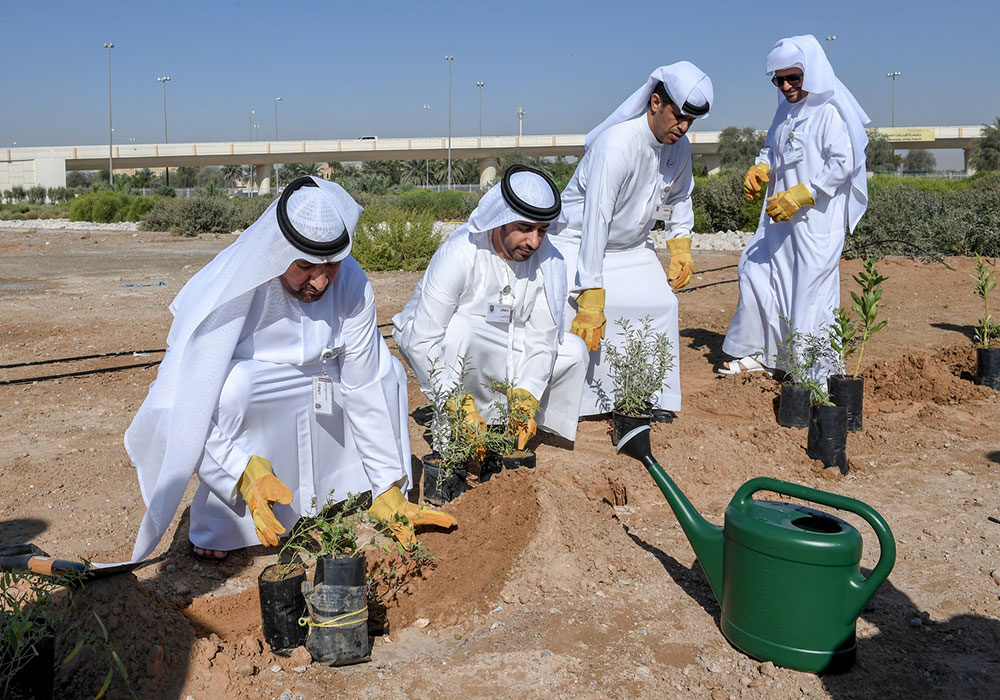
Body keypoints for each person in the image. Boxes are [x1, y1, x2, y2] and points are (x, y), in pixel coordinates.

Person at [125, 176, 456, 563]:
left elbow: (363, 382)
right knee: (234, 388)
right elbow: (180, 399)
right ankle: (227, 520)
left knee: (390, 374)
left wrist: (386, 484)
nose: (319, 282)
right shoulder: (238, 285)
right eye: (304, 266)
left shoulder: (351, 282)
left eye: (330, 266)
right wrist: (239, 470)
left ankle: (366, 494)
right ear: (279, 252)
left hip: (325, 383)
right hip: (254, 400)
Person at [552, 62, 714, 417]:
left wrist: (680, 244)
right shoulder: (617, 144)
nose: (683, 128)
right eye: (679, 116)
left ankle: (646, 394)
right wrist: (590, 290)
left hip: (633, 248)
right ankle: (578, 405)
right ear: (655, 102)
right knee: (576, 312)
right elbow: (597, 216)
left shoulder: (680, 148)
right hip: (579, 244)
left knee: (662, 305)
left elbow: (679, 197)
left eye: (691, 122)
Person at [393, 165, 588, 446]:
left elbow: (542, 338)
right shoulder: (460, 254)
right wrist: (452, 401)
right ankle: (453, 434)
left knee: (573, 351)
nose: (534, 241)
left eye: (542, 230)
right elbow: (423, 339)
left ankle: (520, 420)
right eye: (524, 228)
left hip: (504, 341)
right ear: (501, 220)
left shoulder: (549, 262)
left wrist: (527, 393)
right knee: (461, 329)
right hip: (438, 337)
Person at [720, 35, 870, 379]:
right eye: (779, 80)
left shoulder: (829, 111)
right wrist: (761, 169)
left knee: (808, 295)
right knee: (756, 273)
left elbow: (843, 162)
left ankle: (812, 372)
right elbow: (771, 150)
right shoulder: (785, 110)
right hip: (779, 219)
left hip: (815, 221)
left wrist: (805, 193)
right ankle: (761, 352)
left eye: (793, 79)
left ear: (811, 73)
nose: (786, 86)